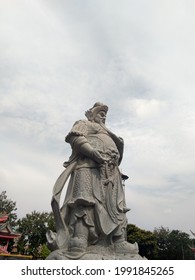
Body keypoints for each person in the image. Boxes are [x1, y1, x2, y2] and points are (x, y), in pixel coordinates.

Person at [47, 102, 138, 258]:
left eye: (105, 114)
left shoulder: (109, 133)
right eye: (100, 112)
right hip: (88, 166)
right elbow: (75, 137)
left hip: (109, 172)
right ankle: (80, 237)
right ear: (91, 114)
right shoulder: (84, 124)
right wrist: (93, 152)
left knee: (117, 206)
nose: (103, 116)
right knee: (84, 200)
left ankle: (118, 240)